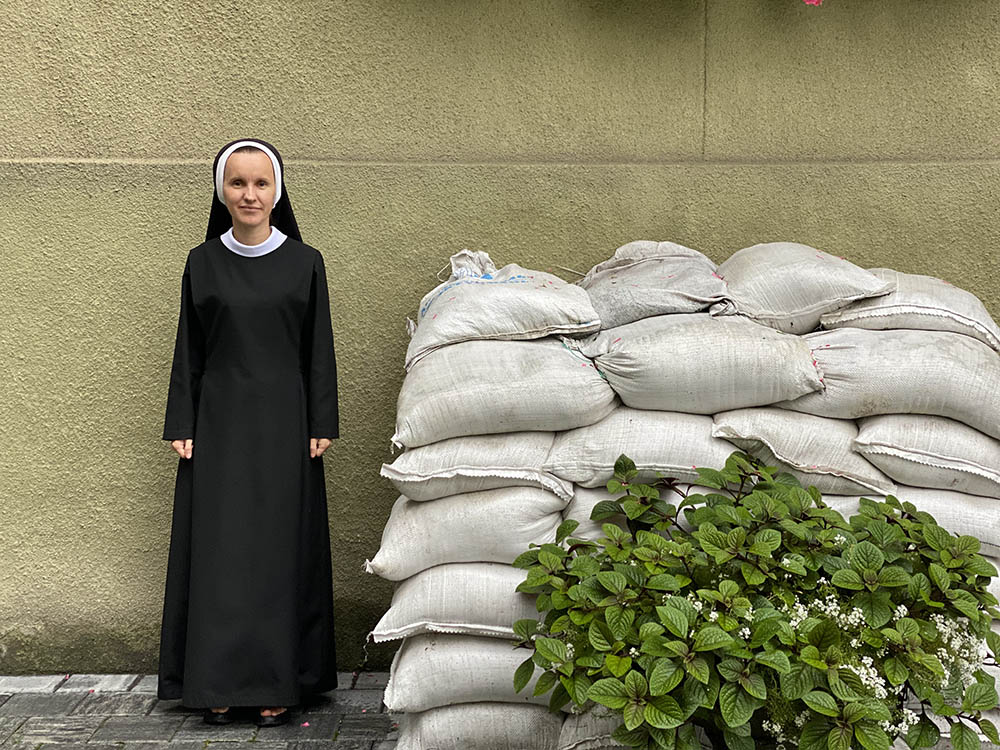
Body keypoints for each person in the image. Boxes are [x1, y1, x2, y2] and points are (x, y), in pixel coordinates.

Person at [157, 138, 339, 727]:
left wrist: (322, 420)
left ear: (277, 190)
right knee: (220, 550)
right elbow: (190, 348)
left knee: (278, 550)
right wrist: (182, 420)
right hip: (219, 423)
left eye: (261, 183)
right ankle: (214, 682)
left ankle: (278, 679)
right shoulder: (201, 262)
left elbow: (318, 349)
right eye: (237, 183)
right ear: (221, 191)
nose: (249, 194)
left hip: (286, 425)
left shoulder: (305, 261)